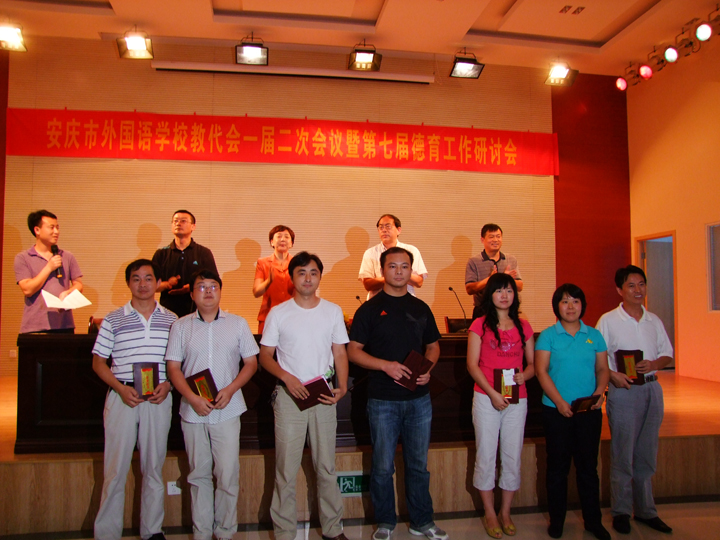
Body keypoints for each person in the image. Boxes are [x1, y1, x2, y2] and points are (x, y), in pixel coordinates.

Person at [348, 246, 447, 540]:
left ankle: (422, 521)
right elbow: (353, 351)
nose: (399, 271)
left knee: (418, 465)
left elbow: (433, 345)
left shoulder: (421, 308)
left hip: (419, 400)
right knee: (382, 467)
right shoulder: (369, 309)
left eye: (404, 266)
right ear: (382, 271)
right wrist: (385, 366)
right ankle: (385, 522)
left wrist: (429, 367)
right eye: (393, 266)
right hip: (382, 401)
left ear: (410, 270)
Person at [259, 251, 349, 540]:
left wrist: (342, 386)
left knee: (326, 468)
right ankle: (285, 533)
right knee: (285, 470)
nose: (308, 278)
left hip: (323, 396)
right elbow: (265, 356)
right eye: (301, 272)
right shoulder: (278, 313)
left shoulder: (332, 311)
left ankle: (333, 530)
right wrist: (287, 377)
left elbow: (340, 352)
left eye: (313, 273)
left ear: (320, 277)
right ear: (292, 278)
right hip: (289, 397)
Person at [165, 269, 259, 540]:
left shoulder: (237, 324)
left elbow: (251, 363)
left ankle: (226, 532)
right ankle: (202, 533)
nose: (208, 291)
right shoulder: (180, 326)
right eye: (201, 287)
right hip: (193, 411)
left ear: (220, 291)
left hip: (228, 409)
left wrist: (231, 389)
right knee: (198, 475)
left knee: (227, 474)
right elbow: (173, 368)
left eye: (213, 286)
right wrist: (192, 398)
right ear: (192, 294)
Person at [92, 259, 178, 540]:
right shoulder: (113, 319)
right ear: (128, 283)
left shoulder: (172, 320)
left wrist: (168, 385)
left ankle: (152, 531)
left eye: (149, 278)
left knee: (153, 468)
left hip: (158, 399)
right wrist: (119, 388)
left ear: (158, 283)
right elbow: (98, 363)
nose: (143, 284)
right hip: (123, 398)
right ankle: (107, 533)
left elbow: (179, 363)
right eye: (136, 279)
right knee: (115, 470)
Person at [596, 265, 673, 535]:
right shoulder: (608, 320)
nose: (638, 290)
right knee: (622, 453)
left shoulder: (654, 320)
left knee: (647, 453)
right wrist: (613, 376)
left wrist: (654, 363)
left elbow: (668, 354)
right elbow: (597, 357)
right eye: (631, 285)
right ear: (619, 290)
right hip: (624, 391)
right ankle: (620, 511)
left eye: (641, 284)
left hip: (652, 390)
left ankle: (645, 510)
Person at [535, 284, 610, 540]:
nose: (570, 306)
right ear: (557, 306)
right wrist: (559, 402)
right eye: (565, 301)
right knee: (557, 469)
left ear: (582, 305)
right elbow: (541, 371)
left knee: (588, 468)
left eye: (575, 301)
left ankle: (593, 521)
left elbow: (603, 369)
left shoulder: (594, 336)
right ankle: (557, 521)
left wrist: (599, 393)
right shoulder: (548, 336)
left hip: (588, 411)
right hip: (556, 411)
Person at [465, 272, 534, 539]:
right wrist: (493, 393)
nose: (504, 295)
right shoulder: (479, 325)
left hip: (517, 398)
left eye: (509, 290)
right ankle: (490, 512)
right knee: (486, 454)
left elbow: (532, 364)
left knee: (512, 455)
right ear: (489, 295)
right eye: (498, 290)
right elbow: (472, 365)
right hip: (486, 397)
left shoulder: (524, 325)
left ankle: (505, 512)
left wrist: (525, 375)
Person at [14, 209, 84, 333]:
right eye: (51, 228)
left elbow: (78, 285)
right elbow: (27, 290)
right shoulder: (23, 258)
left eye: (57, 227)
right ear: (37, 230)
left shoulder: (67, 256)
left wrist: (68, 292)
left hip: (64, 325)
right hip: (35, 326)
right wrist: (49, 267)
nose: (56, 232)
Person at [152, 210, 218, 318]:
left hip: (197, 312)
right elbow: (151, 286)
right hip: (167, 313)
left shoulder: (203, 252)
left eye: (183, 221)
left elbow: (214, 283)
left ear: (193, 226)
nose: (178, 224)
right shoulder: (161, 254)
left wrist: (193, 287)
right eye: (175, 221)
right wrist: (167, 284)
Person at [358, 214, 428, 300]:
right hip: (379, 303)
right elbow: (368, 285)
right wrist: (392, 277)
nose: (384, 230)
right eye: (381, 227)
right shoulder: (370, 253)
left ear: (398, 230)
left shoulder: (411, 250)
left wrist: (397, 276)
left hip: (406, 302)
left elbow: (419, 282)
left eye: (388, 226)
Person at [465, 224, 522, 321]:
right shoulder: (474, 261)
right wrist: (490, 280)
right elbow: (470, 289)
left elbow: (520, 286)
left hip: (508, 310)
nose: (495, 240)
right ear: (482, 240)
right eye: (491, 237)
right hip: (483, 310)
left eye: (498, 236)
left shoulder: (510, 259)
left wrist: (505, 279)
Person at [253, 225, 295, 333]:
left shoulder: (297, 264)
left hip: (292, 316)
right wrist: (268, 281)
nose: (282, 239)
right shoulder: (263, 263)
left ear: (291, 243)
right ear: (272, 242)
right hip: (268, 316)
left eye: (286, 237)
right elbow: (256, 292)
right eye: (279, 236)